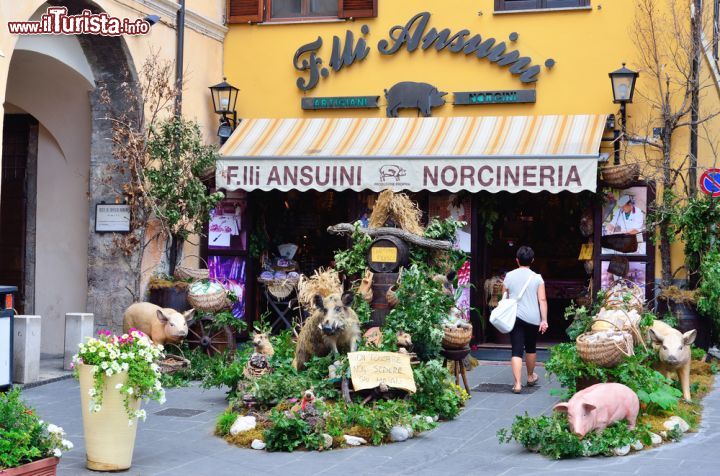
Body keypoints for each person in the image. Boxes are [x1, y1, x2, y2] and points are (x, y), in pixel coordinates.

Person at [502, 246, 548, 394]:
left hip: (514, 317)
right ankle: (529, 376)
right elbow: (542, 299)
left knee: (516, 350)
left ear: (517, 260)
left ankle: (517, 384)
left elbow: (504, 296)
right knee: (530, 347)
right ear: (532, 261)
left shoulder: (509, 276)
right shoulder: (537, 278)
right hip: (532, 317)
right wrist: (544, 320)